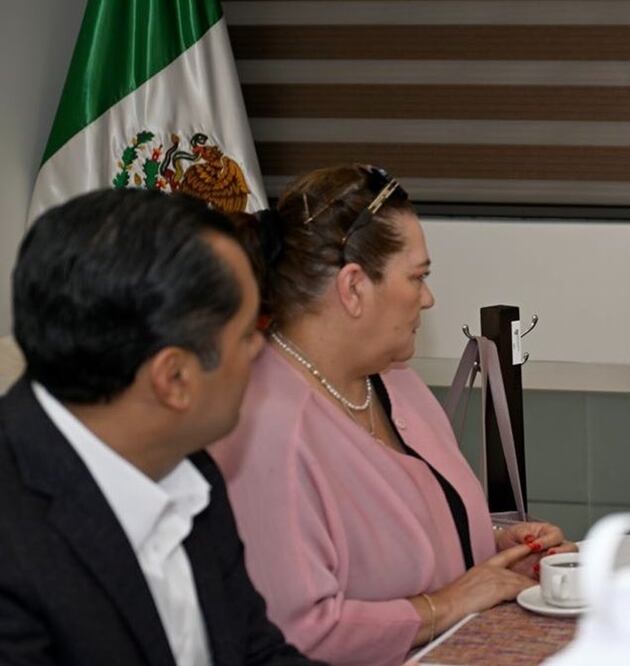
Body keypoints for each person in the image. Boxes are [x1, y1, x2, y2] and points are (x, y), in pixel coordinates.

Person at [210, 164, 574, 666]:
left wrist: (498, 548)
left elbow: (412, 533)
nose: (428, 298)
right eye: (417, 277)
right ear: (354, 287)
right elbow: (297, 633)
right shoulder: (265, 428)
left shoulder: (395, 380)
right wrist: (442, 606)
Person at [0, 189, 323, 665]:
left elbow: (255, 655)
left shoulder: (187, 464)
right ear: (173, 379)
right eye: (246, 335)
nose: (260, 349)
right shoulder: (14, 549)